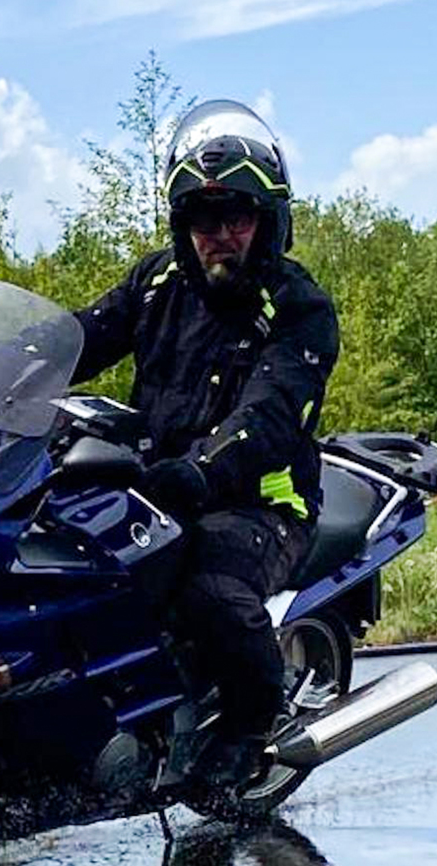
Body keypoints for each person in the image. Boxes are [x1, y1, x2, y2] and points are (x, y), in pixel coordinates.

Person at [70, 100, 340, 797]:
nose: (217, 235)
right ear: (180, 223)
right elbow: (76, 340)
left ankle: (250, 723)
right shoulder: (155, 282)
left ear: (267, 220)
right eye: (200, 218)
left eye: (235, 217)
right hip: (154, 485)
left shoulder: (297, 307)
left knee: (208, 588)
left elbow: (272, 413)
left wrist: (199, 471)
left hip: (259, 502)